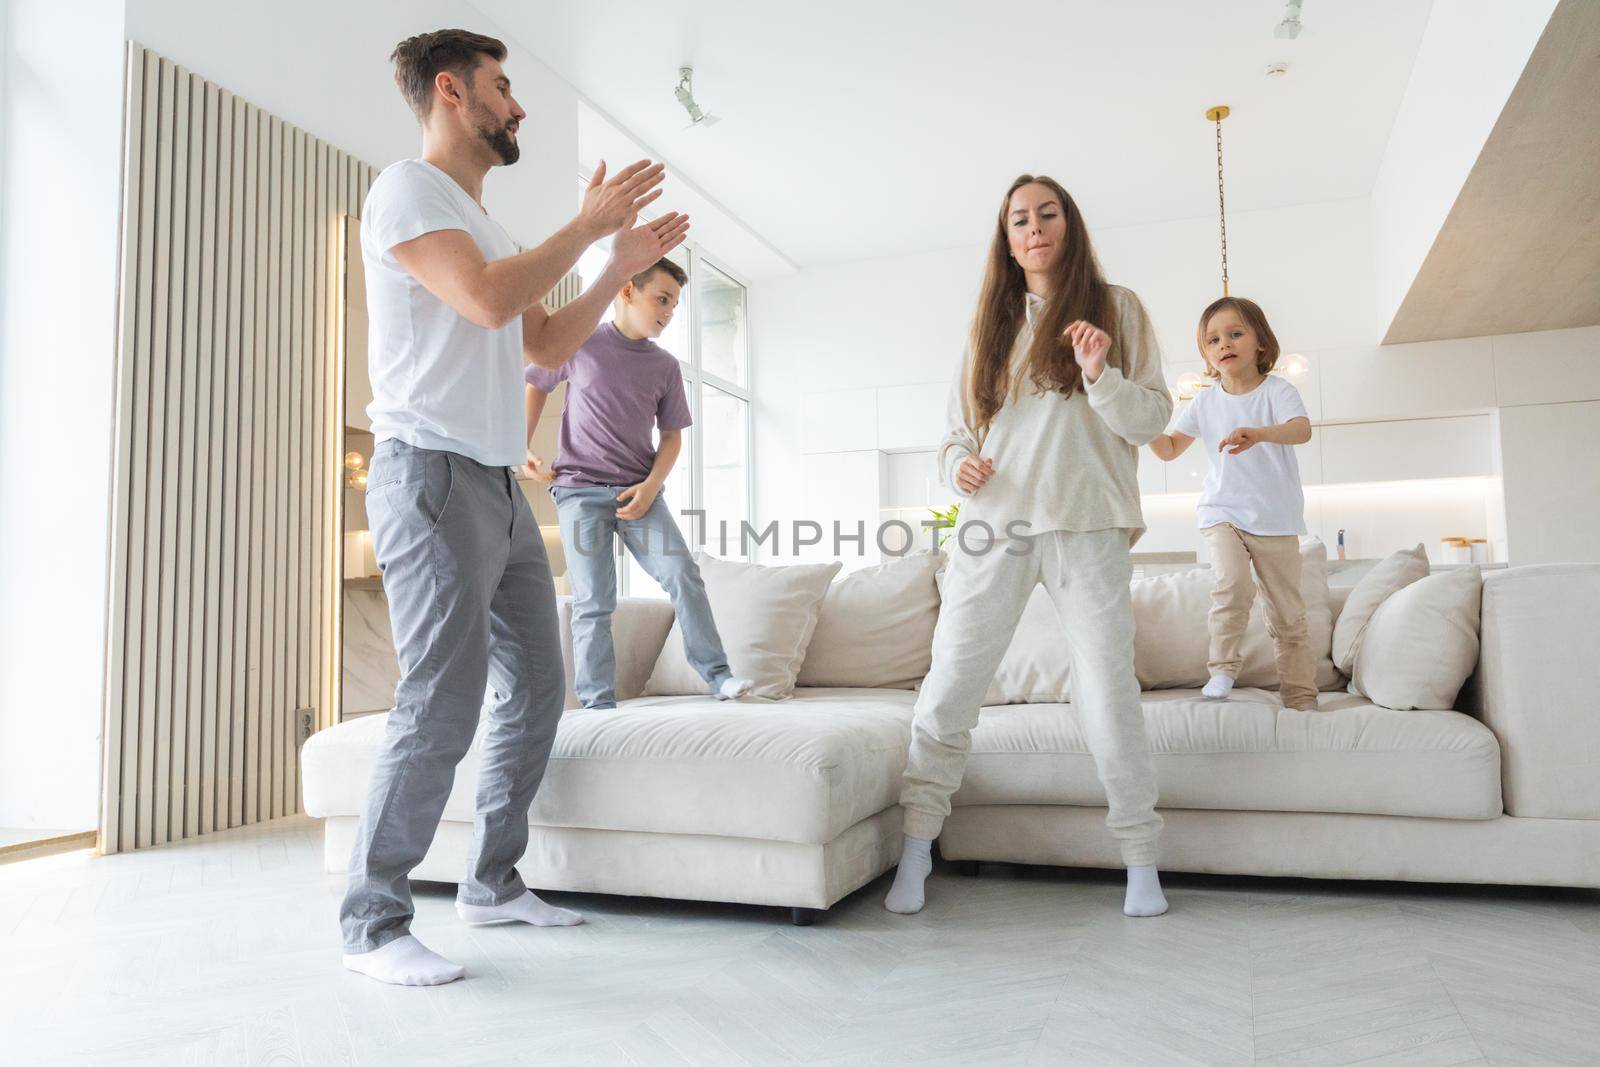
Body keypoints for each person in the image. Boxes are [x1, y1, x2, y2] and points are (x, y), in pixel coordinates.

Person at [340, 28, 690, 987]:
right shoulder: (406, 190)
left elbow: (541, 339)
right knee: (440, 696)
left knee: (540, 682)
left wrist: (618, 263)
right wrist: (585, 230)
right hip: (433, 476)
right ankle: (372, 921)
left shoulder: (483, 221)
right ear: (452, 93)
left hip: (497, 482)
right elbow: (490, 304)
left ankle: (493, 882)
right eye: (504, 86)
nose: (519, 104)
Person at [884, 174, 1171, 918]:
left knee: (1108, 696)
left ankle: (1141, 857)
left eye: (1047, 214)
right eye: (1019, 219)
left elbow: (1151, 420)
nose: (1034, 227)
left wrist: (1100, 373)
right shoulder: (990, 323)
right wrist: (958, 466)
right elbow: (952, 435)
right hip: (993, 525)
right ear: (1006, 240)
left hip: (1088, 525)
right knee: (950, 685)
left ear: (1068, 226)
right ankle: (916, 847)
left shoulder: (1120, 308)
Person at [524, 258, 752, 709]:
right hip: (579, 492)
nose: (668, 312)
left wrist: (650, 487)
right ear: (627, 291)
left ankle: (718, 676)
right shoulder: (580, 342)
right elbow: (536, 383)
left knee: (684, 576)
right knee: (594, 600)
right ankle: (597, 701)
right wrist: (522, 445)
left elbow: (671, 439)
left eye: (674, 305)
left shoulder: (665, 366)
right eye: (662, 299)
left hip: (639, 493)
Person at [1147, 296, 1318, 710]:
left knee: (1289, 619)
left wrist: (1258, 434)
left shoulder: (1278, 390)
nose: (1224, 343)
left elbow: (1301, 431)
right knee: (1231, 585)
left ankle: (1300, 697)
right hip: (1222, 512)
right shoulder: (1205, 400)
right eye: (1212, 339)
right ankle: (1222, 669)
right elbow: (1169, 449)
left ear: (1260, 341)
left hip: (1276, 521)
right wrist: (1140, 425)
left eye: (1235, 333)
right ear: (1206, 353)